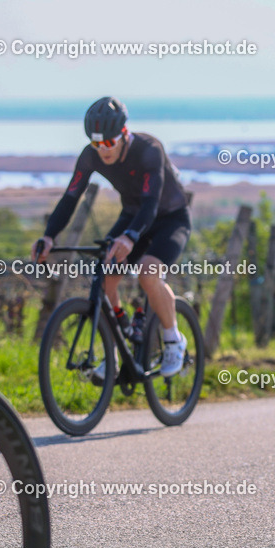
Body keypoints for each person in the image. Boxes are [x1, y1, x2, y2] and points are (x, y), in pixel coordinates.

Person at [32, 97, 191, 378]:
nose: (102, 150)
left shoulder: (149, 149)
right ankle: (115, 350)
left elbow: (151, 203)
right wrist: (48, 236)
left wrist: (130, 238)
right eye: (96, 144)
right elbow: (70, 197)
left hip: (169, 219)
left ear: (124, 134)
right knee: (103, 275)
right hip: (132, 216)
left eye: (109, 142)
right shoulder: (90, 155)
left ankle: (173, 340)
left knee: (148, 272)